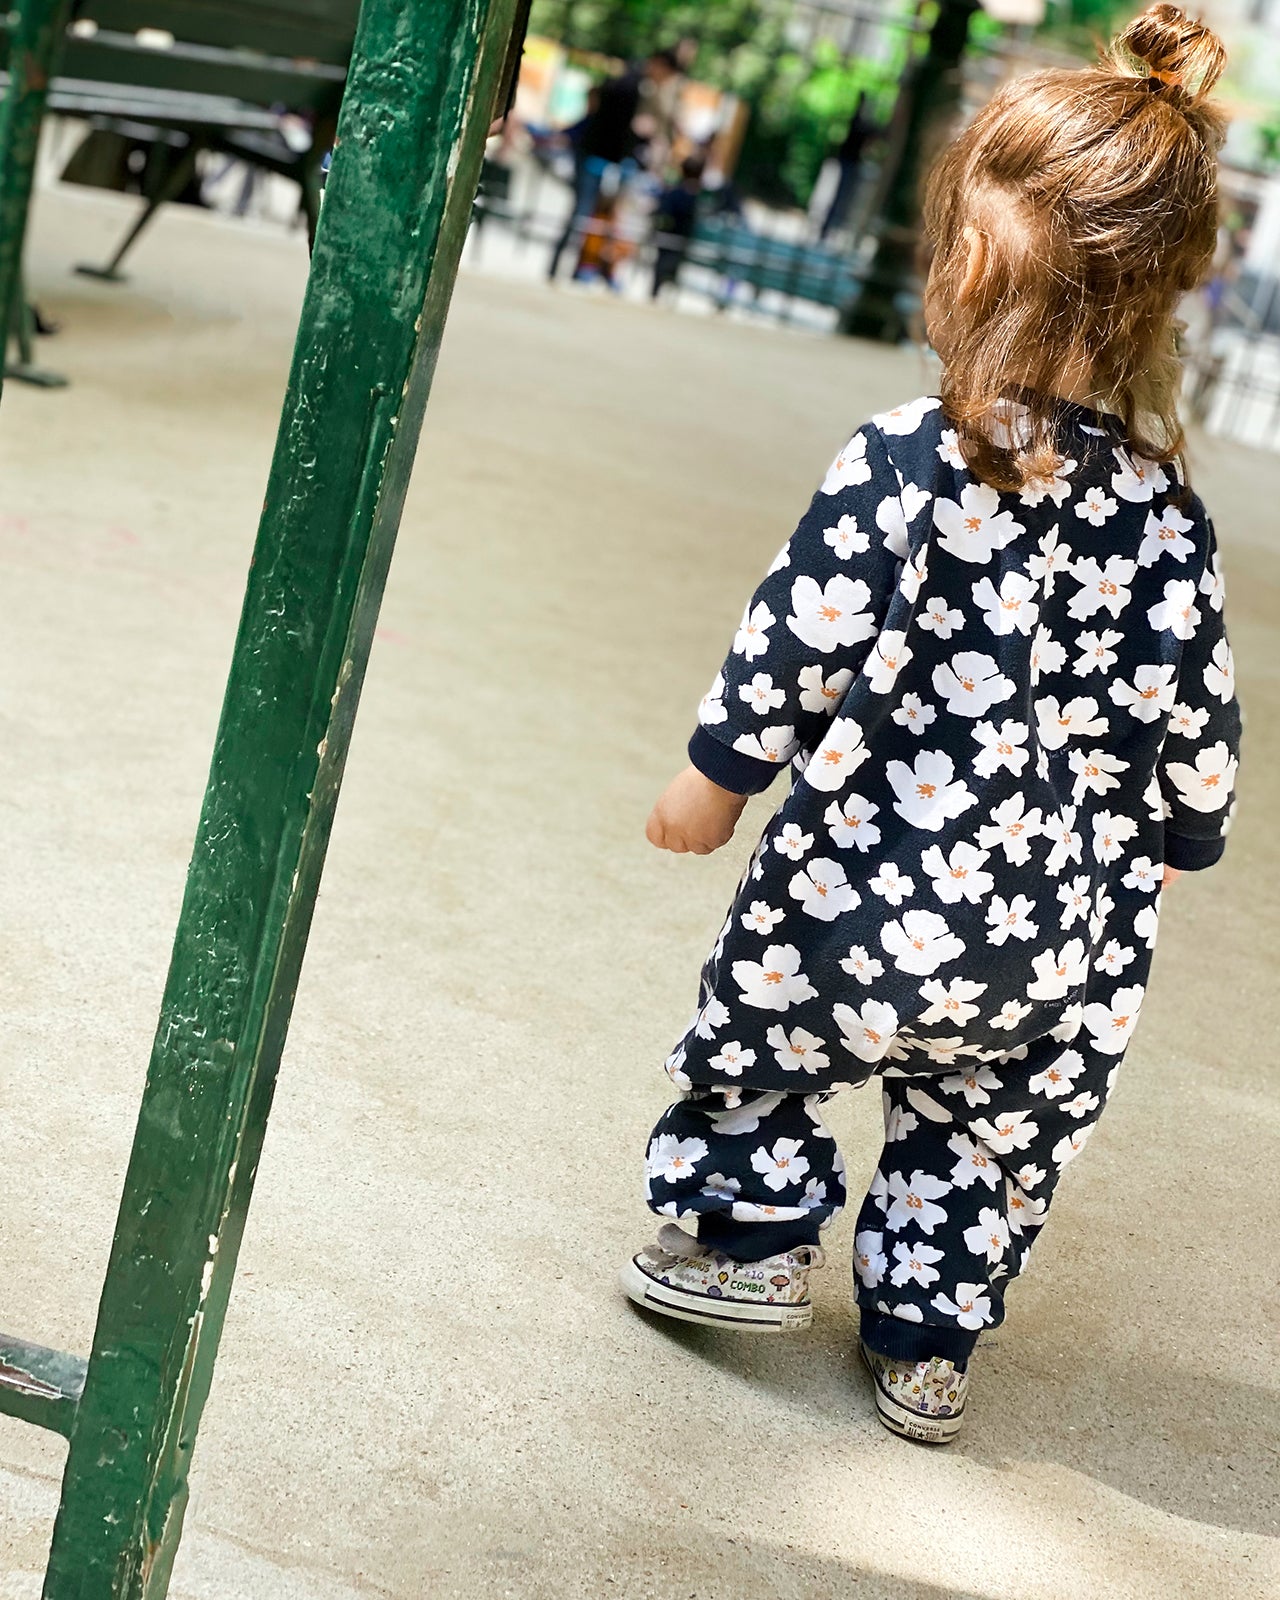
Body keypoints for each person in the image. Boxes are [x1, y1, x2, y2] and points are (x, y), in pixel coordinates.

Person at [621, 3, 1242, 1447]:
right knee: (991, 1143)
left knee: (763, 1048)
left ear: (963, 262)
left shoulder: (903, 460)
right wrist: (1177, 840)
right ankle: (926, 1334)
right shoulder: (1168, 517)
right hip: (1056, 935)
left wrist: (713, 781)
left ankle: (741, 1242)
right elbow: (1198, 723)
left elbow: (800, 635)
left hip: (861, 892)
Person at [548, 50, 680, 282]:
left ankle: (577, 268)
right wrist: (639, 135)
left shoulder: (630, 82)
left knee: (591, 216)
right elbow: (617, 127)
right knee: (584, 215)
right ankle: (568, 269)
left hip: (602, 157)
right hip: (598, 157)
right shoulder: (634, 86)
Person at [819, 93, 876, 241]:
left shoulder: (859, 121)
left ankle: (830, 228)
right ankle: (828, 228)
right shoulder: (857, 122)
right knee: (841, 196)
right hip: (849, 162)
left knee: (842, 197)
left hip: (850, 162)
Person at [650, 156, 704, 299]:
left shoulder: (675, 193)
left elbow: (662, 213)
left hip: (669, 239)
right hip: (682, 241)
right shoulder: (700, 196)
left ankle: (655, 292)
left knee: (663, 265)